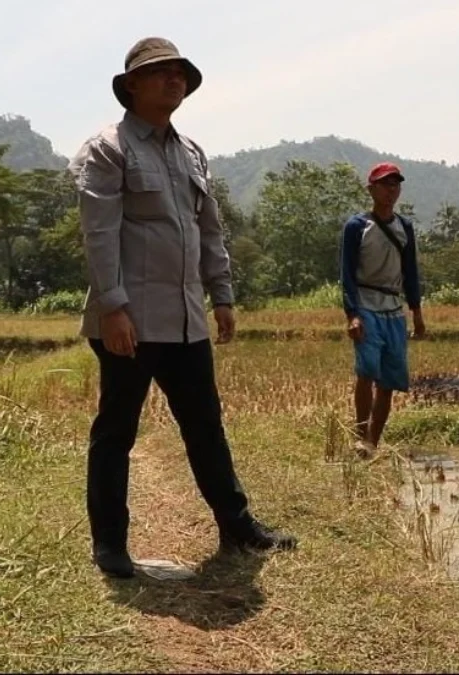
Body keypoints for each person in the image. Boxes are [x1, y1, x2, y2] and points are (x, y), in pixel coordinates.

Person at [68, 37, 297, 579]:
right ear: (131, 87)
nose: (174, 80)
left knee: (205, 424)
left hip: (187, 319)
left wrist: (222, 296)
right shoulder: (108, 149)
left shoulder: (191, 152)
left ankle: (237, 526)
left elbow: (208, 230)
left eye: (179, 74)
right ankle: (110, 544)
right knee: (117, 430)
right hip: (130, 321)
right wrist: (114, 309)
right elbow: (98, 236)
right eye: (161, 72)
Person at [339, 162, 427, 459]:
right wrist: (352, 313)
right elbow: (347, 274)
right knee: (367, 371)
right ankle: (360, 434)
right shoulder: (357, 227)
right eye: (385, 184)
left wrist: (416, 312)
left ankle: (373, 443)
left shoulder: (405, 228)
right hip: (366, 305)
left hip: (393, 308)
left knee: (388, 379)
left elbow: (411, 272)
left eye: (395, 184)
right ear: (371, 189)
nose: (391, 190)